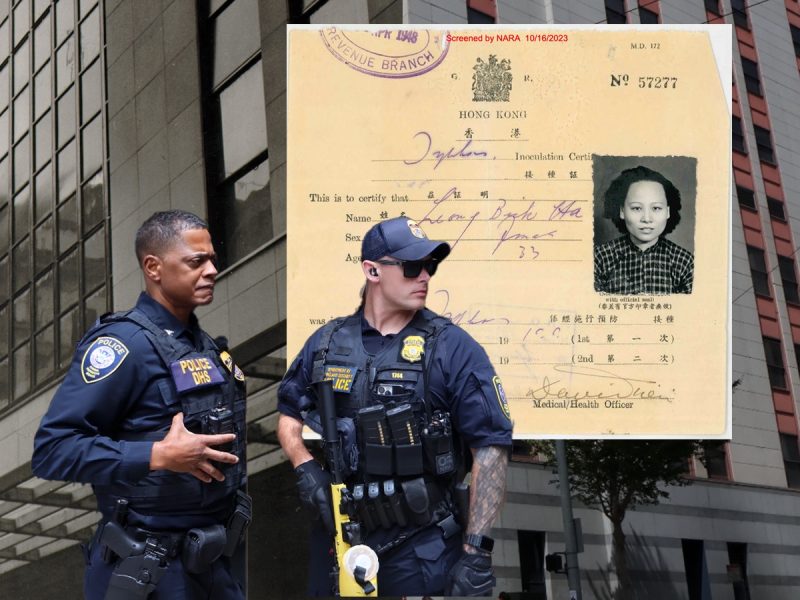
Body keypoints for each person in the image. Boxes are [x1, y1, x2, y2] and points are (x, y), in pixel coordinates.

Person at [277, 216, 512, 597]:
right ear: (372, 270)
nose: (424, 277)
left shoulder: (453, 347)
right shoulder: (326, 343)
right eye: (411, 266)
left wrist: (476, 553)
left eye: (429, 266)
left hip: (423, 546)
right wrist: (304, 466)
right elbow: (288, 416)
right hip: (342, 540)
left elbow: (490, 447)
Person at [31, 211, 250, 599]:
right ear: (154, 267)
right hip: (148, 573)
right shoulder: (124, 345)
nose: (212, 270)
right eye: (196, 261)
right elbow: (52, 450)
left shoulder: (207, 349)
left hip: (213, 564)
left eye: (212, 259)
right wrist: (157, 455)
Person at [594, 165, 694, 294]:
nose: (647, 219)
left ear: (668, 212)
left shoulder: (684, 262)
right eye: (636, 208)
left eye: (656, 208)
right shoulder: (600, 258)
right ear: (622, 211)